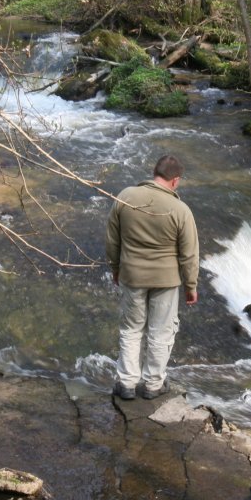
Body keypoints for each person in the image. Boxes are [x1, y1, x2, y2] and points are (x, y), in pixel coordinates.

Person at [105, 154, 199, 400]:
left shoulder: (125, 197)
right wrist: (191, 285)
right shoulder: (180, 210)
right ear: (175, 180)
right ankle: (153, 385)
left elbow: (112, 239)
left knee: (131, 329)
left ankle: (126, 383)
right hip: (166, 281)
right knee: (161, 332)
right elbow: (189, 254)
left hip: (131, 275)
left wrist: (115, 268)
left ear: (154, 173)